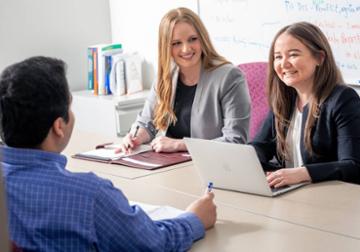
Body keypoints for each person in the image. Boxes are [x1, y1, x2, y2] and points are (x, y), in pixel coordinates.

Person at [0, 56, 217, 251]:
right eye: (70, 107)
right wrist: (194, 219)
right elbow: (155, 244)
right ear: (59, 126)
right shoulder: (90, 196)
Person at [120, 7, 251, 153]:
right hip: (171, 166)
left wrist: (179, 145)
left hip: (214, 167)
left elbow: (235, 140)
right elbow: (147, 122)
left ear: (202, 39)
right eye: (176, 43)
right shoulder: (165, 77)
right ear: (166, 47)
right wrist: (135, 137)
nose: (186, 49)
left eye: (192, 39)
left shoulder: (229, 77)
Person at [250, 22, 360, 188]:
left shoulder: (343, 99)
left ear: (319, 58)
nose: (284, 64)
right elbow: (260, 146)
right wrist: (246, 159)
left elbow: (353, 165)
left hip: (327, 199)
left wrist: (302, 173)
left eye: (293, 55)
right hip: (289, 195)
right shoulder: (284, 100)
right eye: (278, 57)